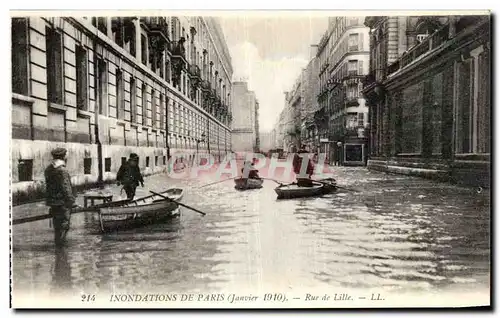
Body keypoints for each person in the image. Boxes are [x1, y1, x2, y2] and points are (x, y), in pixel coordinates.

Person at [44, 147, 77, 247]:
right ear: (63, 157)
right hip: (63, 203)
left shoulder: (49, 169)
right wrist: (72, 201)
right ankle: (61, 251)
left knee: (57, 227)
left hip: (53, 203)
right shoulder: (62, 170)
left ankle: (58, 250)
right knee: (64, 226)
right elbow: (66, 188)